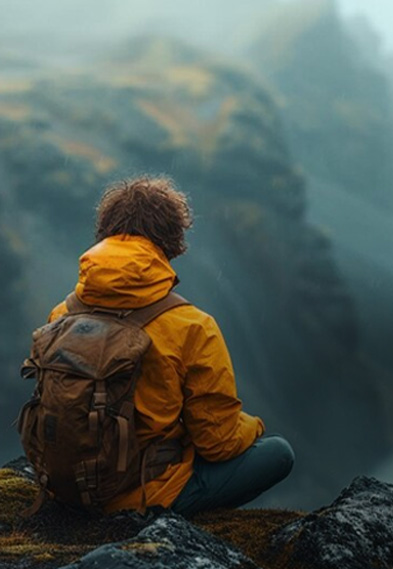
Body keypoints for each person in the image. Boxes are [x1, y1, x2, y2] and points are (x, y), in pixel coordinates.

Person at [46, 176, 294, 516]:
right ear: (172, 241)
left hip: (68, 487)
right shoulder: (191, 325)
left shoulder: (62, 313)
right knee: (278, 453)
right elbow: (218, 443)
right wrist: (254, 426)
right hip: (143, 496)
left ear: (106, 231)